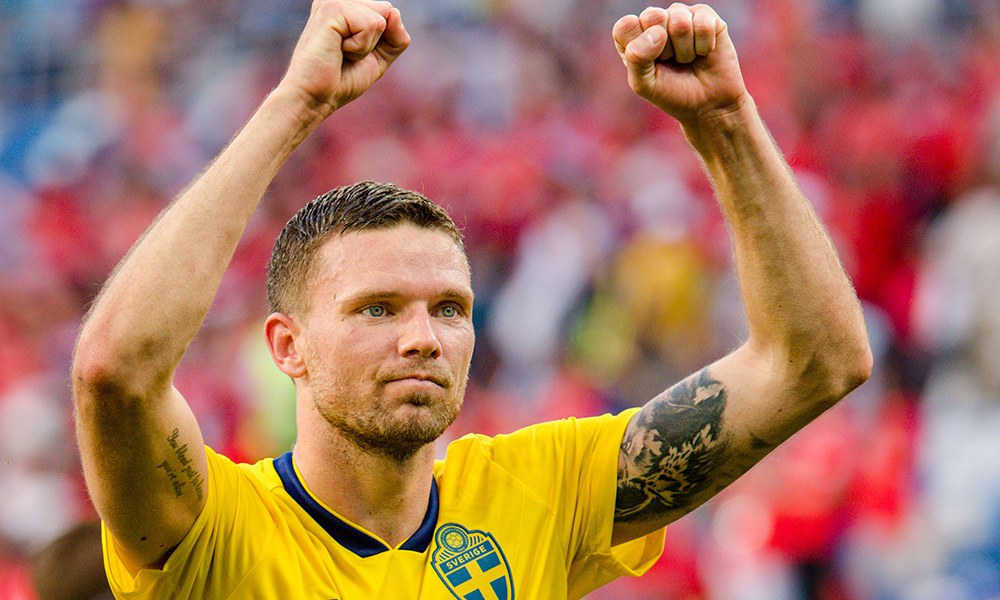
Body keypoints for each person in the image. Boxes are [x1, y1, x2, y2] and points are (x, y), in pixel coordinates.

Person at [71, 1, 872, 598]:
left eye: (449, 308)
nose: (423, 337)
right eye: (377, 308)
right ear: (288, 346)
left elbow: (815, 362)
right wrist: (294, 106)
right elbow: (114, 369)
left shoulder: (543, 490)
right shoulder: (212, 528)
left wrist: (728, 125)